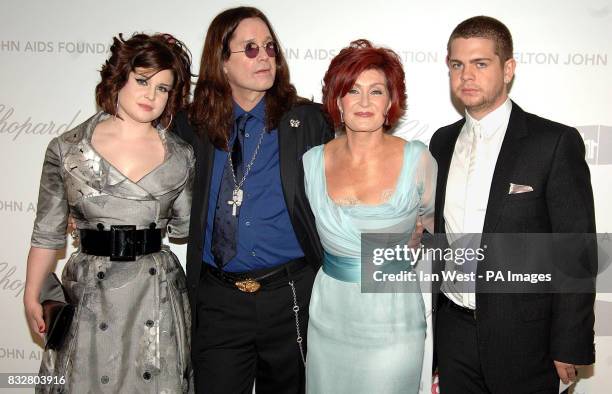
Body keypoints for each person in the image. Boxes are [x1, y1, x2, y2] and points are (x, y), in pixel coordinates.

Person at [429, 16, 596, 394]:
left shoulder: (552, 142)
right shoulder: (441, 142)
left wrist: (569, 344)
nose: (466, 75)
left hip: (528, 341)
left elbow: (576, 249)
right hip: (453, 335)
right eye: (457, 65)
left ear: (508, 70)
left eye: (480, 63)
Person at [173, 6, 333, 394]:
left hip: (292, 296)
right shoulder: (190, 125)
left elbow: (356, 174)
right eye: (249, 49)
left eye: (269, 47)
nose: (264, 56)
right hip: (218, 302)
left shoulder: (309, 121)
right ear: (222, 63)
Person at [23, 33, 195, 393]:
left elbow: (183, 227)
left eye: (163, 88)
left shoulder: (182, 156)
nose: (151, 95)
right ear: (119, 77)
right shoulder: (68, 150)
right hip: (90, 292)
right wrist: (31, 293)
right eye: (143, 80)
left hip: (155, 292)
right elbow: (47, 233)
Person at [302, 39, 437, 394]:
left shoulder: (418, 161)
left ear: (390, 102)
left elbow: (443, 236)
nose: (364, 102)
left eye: (376, 91)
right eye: (352, 90)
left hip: (394, 319)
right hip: (330, 315)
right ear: (337, 101)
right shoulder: (311, 162)